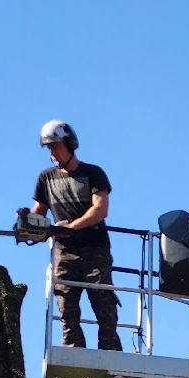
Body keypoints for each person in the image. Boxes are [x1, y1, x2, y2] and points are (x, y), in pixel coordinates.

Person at [27, 119, 121, 350]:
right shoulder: (45, 178)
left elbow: (100, 210)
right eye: (48, 148)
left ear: (70, 143)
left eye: (55, 146)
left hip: (95, 250)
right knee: (66, 306)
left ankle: (110, 353)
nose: (52, 152)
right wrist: (26, 223)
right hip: (64, 254)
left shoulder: (93, 174)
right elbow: (38, 211)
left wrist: (71, 227)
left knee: (103, 304)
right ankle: (73, 351)